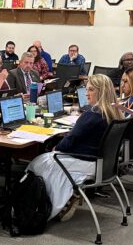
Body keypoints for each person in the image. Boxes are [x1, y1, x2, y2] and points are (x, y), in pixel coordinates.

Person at [27, 74, 123, 220]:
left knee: (39, 162)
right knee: (49, 160)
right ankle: (67, 197)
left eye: (90, 90)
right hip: (104, 165)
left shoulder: (92, 115)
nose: (86, 93)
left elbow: (69, 141)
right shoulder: (113, 113)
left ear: (101, 92)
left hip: (86, 162)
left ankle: (43, 207)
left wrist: (55, 148)